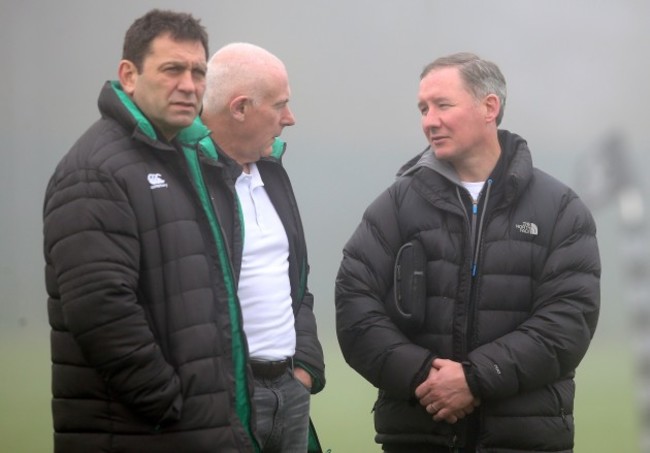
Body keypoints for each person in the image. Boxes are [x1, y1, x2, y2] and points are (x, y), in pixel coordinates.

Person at [334, 52, 600, 452]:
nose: (429, 121)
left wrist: (476, 378)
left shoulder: (561, 208)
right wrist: (424, 375)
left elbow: (568, 322)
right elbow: (354, 305)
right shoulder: (394, 206)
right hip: (418, 438)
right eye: (423, 108)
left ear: (489, 107)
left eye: (443, 105)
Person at [43, 10, 262, 452]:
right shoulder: (95, 171)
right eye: (172, 69)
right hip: (145, 431)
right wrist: (166, 403)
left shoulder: (183, 159)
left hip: (193, 429)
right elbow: (101, 310)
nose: (189, 85)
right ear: (129, 75)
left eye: (198, 72)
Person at [199, 42, 325, 453]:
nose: (290, 119)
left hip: (289, 393)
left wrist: (303, 366)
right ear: (239, 108)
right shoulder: (184, 181)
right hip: (224, 401)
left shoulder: (273, 173)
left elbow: (296, 282)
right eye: (280, 105)